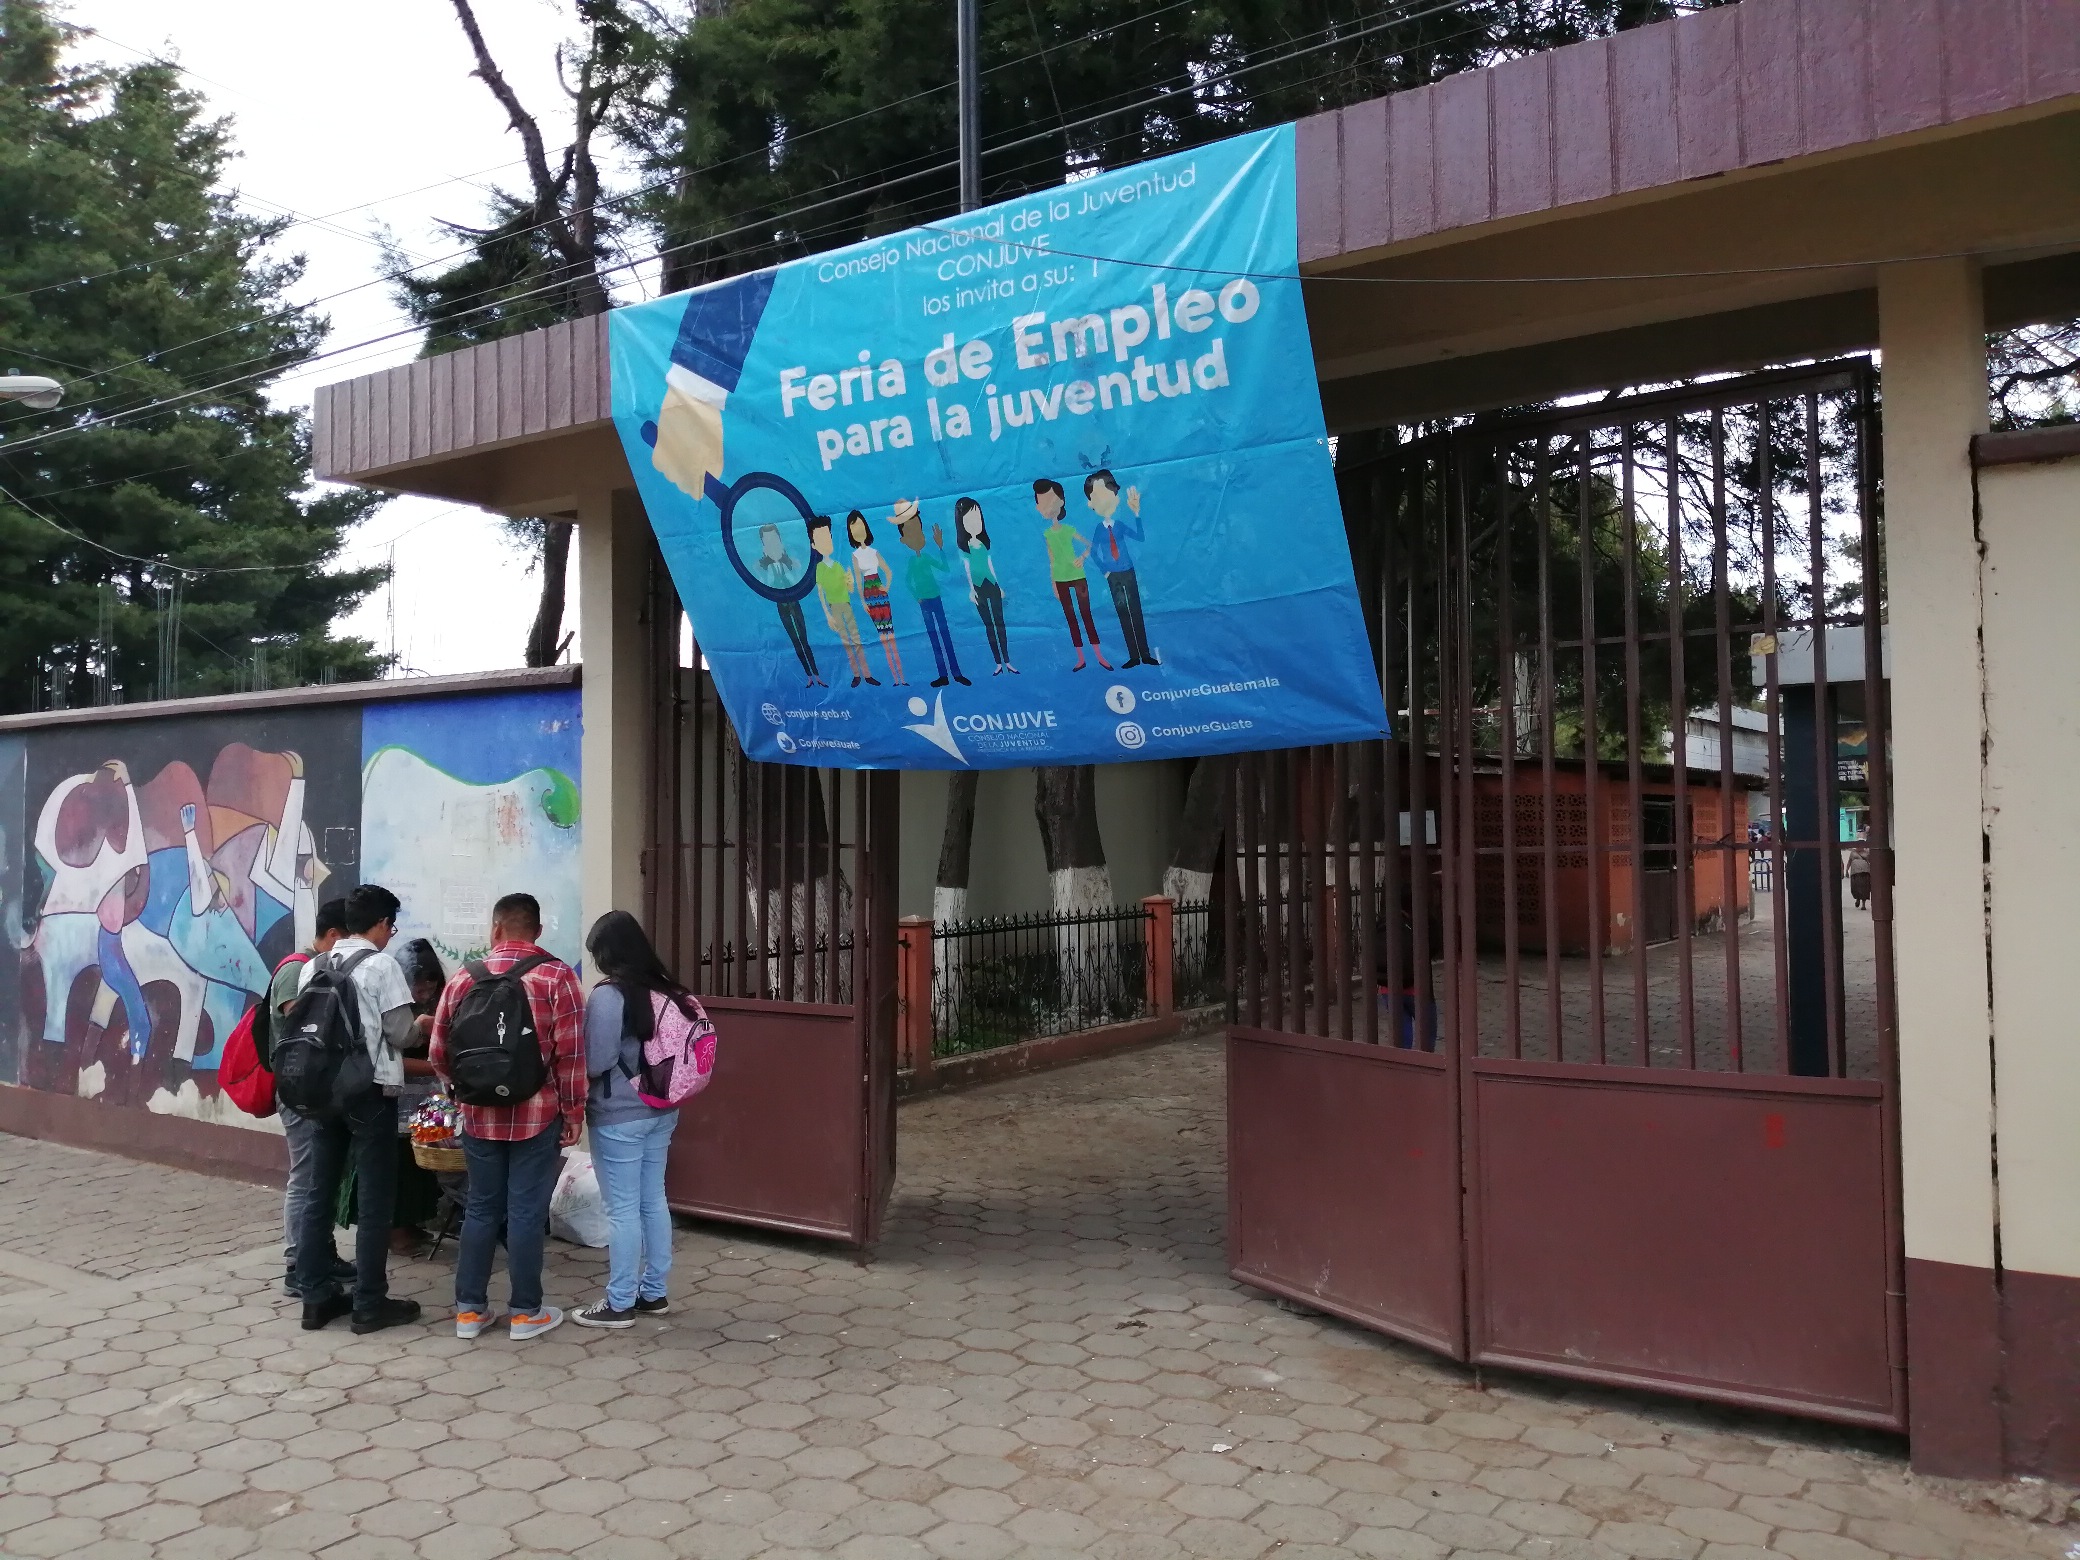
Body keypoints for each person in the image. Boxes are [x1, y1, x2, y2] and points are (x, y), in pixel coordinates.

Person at [430, 892, 586, 1343]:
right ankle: (525, 1313)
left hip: (479, 1115)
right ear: (537, 931)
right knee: (525, 1211)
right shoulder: (557, 977)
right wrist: (573, 1112)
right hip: (538, 1115)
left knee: (480, 1205)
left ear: (494, 929)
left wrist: (461, 1094)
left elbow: (441, 1051)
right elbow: (571, 1056)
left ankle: (469, 1311)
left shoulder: (463, 978)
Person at [292, 883, 423, 1334]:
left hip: (324, 1093)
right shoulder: (382, 965)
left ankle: (315, 1297)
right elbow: (401, 1034)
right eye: (392, 925)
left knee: (319, 1192)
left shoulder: (313, 966)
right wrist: (421, 1023)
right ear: (383, 924)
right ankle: (369, 1302)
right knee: (374, 1198)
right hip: (368, 1093)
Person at [572, 911, 699, 1329]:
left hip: (619, 1116)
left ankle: (619, 1301)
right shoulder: (668, 990)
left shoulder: (609, 996)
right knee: (652, 1200)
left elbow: (598, 1060)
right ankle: (654, 1293)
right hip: (662, 1110)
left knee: (621, 1209)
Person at [269, 896, 350, 1298]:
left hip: (313, 1087)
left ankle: (319, 1252)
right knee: (304, 1176)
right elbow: (301, 1019)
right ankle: (295, 1261)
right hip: (299, 1087)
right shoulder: (297, 969)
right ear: (333, 935)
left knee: (318, 1174)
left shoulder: (312, 966)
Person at [1033, 478, 1111, 672]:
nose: (1047, 507)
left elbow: (1089, 545)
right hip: (1060, 579)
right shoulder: (1047, 534)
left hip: (1077, 576)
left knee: (1086, 615)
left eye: (1051, 501)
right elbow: (1051, 560)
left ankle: (1099, 656)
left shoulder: (1069, 529)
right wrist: (1053, 584)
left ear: (1061, 501)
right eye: (1042, 503)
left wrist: (1082, 557)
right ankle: (1081, 659)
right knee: (1071, 618)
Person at [1083, 470, 1158, 668]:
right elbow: (1093, 552)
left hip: (1128, 571)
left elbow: (1139, 537)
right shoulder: (1099, 529)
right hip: (1113, 576)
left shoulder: (1120, 526)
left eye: (1109, 493)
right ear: (1090, 503)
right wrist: (1105, 571)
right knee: (1123, 613)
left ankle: (1145, 654)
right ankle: (1134, 656)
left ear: (1116, 496)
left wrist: (1136, 513)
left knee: (1136, 612)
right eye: (1097, 497)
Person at [894, 499, 969, 689]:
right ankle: (943, 675)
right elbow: (906, 582)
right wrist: (916, 596)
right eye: (911, 533)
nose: (917, 535)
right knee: (934, 638)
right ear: (903, 540)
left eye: (918, 530)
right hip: (924, 602)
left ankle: (957, 673)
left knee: (945, 635)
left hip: (935, 598)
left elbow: (944, 568)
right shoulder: (912, 562)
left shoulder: (927, 557)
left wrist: (941, 547)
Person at [955, 497, 1017, 676]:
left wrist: (999, 585)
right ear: (962, 523)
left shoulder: (982, 544)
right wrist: (971, 590)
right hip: (979, 588)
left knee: (1001, 623)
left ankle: (1007, 660)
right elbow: (967, 569)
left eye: (977, 519)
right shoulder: (965, 548)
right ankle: (998, 662)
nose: (975, 523)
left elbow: (990, 565)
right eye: (969, 520)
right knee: (989, 626)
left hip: (992, 585)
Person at [756, 522, 823, 687]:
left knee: (804, 639)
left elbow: (796, 581)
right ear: (763, 544)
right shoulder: (763, 565)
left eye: (774, 539)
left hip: (794, 602)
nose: (772, 543)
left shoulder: (790, 560)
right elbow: (768, 584)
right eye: (768, 541)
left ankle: (817, 674)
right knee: (795, 641)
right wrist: (770, 567)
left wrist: (786, 565)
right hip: (782, 606)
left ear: (779, 539)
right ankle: (808, 676)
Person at [812, 515, 874, 687]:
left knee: (856, 639)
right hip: (835, 608)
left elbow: (850, 590)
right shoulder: (820, 568)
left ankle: (867, 674)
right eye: (820, 539)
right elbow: (820, 593)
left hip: (847, 605)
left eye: (827, 537)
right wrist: (828, 615)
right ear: (814, 545)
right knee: (847, 642)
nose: (825, 542)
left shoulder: (838, 565)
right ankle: (856, 675)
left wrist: (850, 582)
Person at [848, 509, 907, 685]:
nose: (858, 530)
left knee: (892, 634)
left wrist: (886, 587)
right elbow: (858, 580)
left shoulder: (874, 552)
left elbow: (888, 571)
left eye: (860, 525)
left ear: (865, 527)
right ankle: (896, 679)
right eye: (853, 528)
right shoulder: (855, 555)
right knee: (883, 637)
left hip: (880, 592)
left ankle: (902, 678)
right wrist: (863, 601)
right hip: (869, 593)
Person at [1847, 838, 1872, 911]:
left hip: (1865, 872)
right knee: (1856, 887)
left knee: (1865, 889)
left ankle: (1863, 904)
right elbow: (1849, 861)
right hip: (1855, 873)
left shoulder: (1867, 853)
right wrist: (1846, 870)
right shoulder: (1853, 853)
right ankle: (1858, 899)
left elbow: (1870, 861)